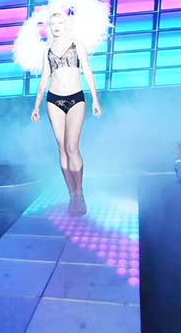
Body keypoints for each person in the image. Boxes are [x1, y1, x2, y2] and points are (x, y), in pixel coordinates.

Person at [31, 11, 103, 217]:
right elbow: (44, 80)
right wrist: (36, 107)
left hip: (76, 98)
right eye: (53, 23)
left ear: (66, 24)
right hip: (53, 100)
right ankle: (72, 193)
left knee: (72, 146)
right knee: (62, 148)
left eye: (60, 22)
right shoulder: (47, 51)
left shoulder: (77, 45)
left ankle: (80, 191)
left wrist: (95, 100)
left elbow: (87, 71)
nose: (56, 26)